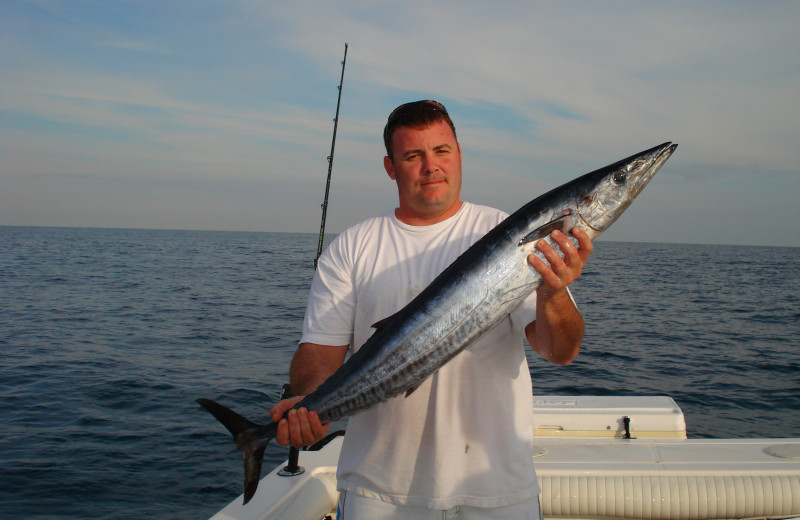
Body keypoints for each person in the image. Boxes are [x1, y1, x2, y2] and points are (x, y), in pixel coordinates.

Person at [270, 100, 593, 519]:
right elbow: (320, 351)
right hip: (378, 492)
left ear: (459, 155)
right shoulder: (352, 247)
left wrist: (552, 294)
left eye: (441, 151)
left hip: (498, 491)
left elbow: (560, 351)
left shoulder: (512, 235)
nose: (431, 166)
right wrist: (307, 400)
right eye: (413, 156)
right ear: (391, 167)